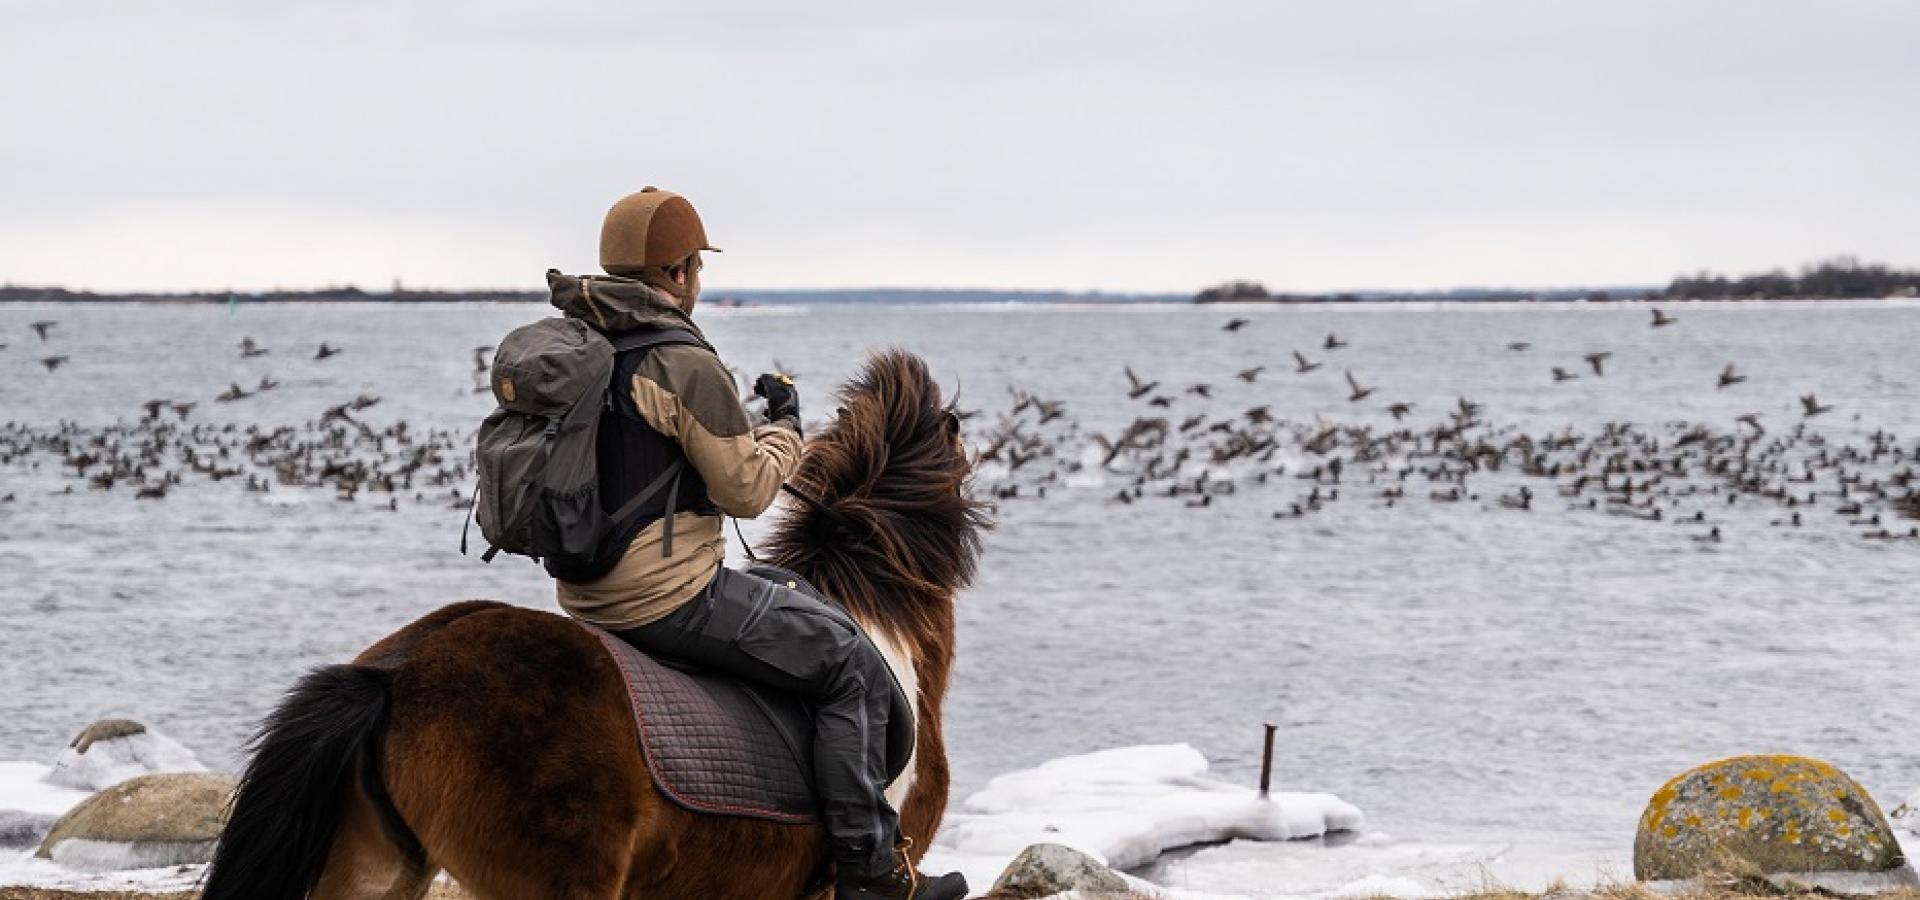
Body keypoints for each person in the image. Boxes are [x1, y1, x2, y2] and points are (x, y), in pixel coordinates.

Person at [548, 187, 968, 900]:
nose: (698, 282)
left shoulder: (577, 348)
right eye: (695, 268)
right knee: (848, 665)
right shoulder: (680, 357)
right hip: (666, 595)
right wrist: (785, 426)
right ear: (678, 272)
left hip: (583, 591)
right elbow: (746, 492)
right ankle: (870, 876)